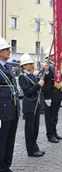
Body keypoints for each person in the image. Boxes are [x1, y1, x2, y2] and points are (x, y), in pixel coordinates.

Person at [19, 53, 47, 157]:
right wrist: (38, 85)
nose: (32, 65)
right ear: (24, 66)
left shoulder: (31, 75)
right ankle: (31, 150)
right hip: (29, 105)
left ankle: (35, 147)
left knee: (35, 128)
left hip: (36, 103)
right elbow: (28, 91)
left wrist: (45, 71)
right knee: (30, 129)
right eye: (30, 64)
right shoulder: (23, 77)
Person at [0, 37, 20, 172]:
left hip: (12, 108)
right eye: (6, 49)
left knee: (10, 138)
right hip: (2, 109)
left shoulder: (7, 66)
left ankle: (7, 164)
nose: (9, 51)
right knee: (2, 140)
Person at [43, 47, 62, 143]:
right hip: (51, 94)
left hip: (57, 94)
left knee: (55, 115)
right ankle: (50, 134)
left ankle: (54, 132)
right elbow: (46, 82)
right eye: (53, 55)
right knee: (50, 116)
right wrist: (47, 97)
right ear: (50, 57)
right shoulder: (48, 66)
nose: (56, 56)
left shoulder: (56, 66)